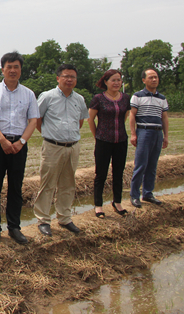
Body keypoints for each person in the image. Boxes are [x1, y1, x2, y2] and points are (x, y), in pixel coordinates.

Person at [0, 51, 39, 245]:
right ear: (2, 69)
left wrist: (21, 142)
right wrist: (3, 140)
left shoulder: (28, 94)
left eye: (16, 67)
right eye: (9, 67)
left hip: (19, 145)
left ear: (21, 70)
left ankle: (14, 227)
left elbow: (33, 121)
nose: (13, 70)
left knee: (15, 187)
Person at [33, 64, 88, 237]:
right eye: (66, 76)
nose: (69, 79)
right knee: (47, 184)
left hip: (73, 147)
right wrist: (50, 134)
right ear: (58, 78)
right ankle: (43, 220)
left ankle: (64, 218)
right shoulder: (47, 97)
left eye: (73, 77)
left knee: (68, 184)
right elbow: (37, 119)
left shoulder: (79, 99)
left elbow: (80, 121)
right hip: (52, 147)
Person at [88, 70, 131, 218]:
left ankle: (117, 202)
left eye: (119, 80)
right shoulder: (98, 98)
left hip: (121, 141)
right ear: (106, 82)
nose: (116, 83)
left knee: (118, 173)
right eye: (113, 80)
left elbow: (125, 116)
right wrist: (97, 136)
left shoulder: (125, 98)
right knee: (101, 174)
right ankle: (98, 205)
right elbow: (90, 119)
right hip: (103, 141)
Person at [129, 68, 169, 208]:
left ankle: (148, 193)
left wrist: (166, 136)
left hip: (157, 133)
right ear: (144, 80)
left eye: (156, 77)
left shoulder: (162, 98)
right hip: (144, 131)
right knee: (141, 164)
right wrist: (133, 134)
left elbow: (164, 117)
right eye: (151, 77)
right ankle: (134, 195)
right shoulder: (137, 96)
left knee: (152, 165)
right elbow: (132, 115)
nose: (154, 79)